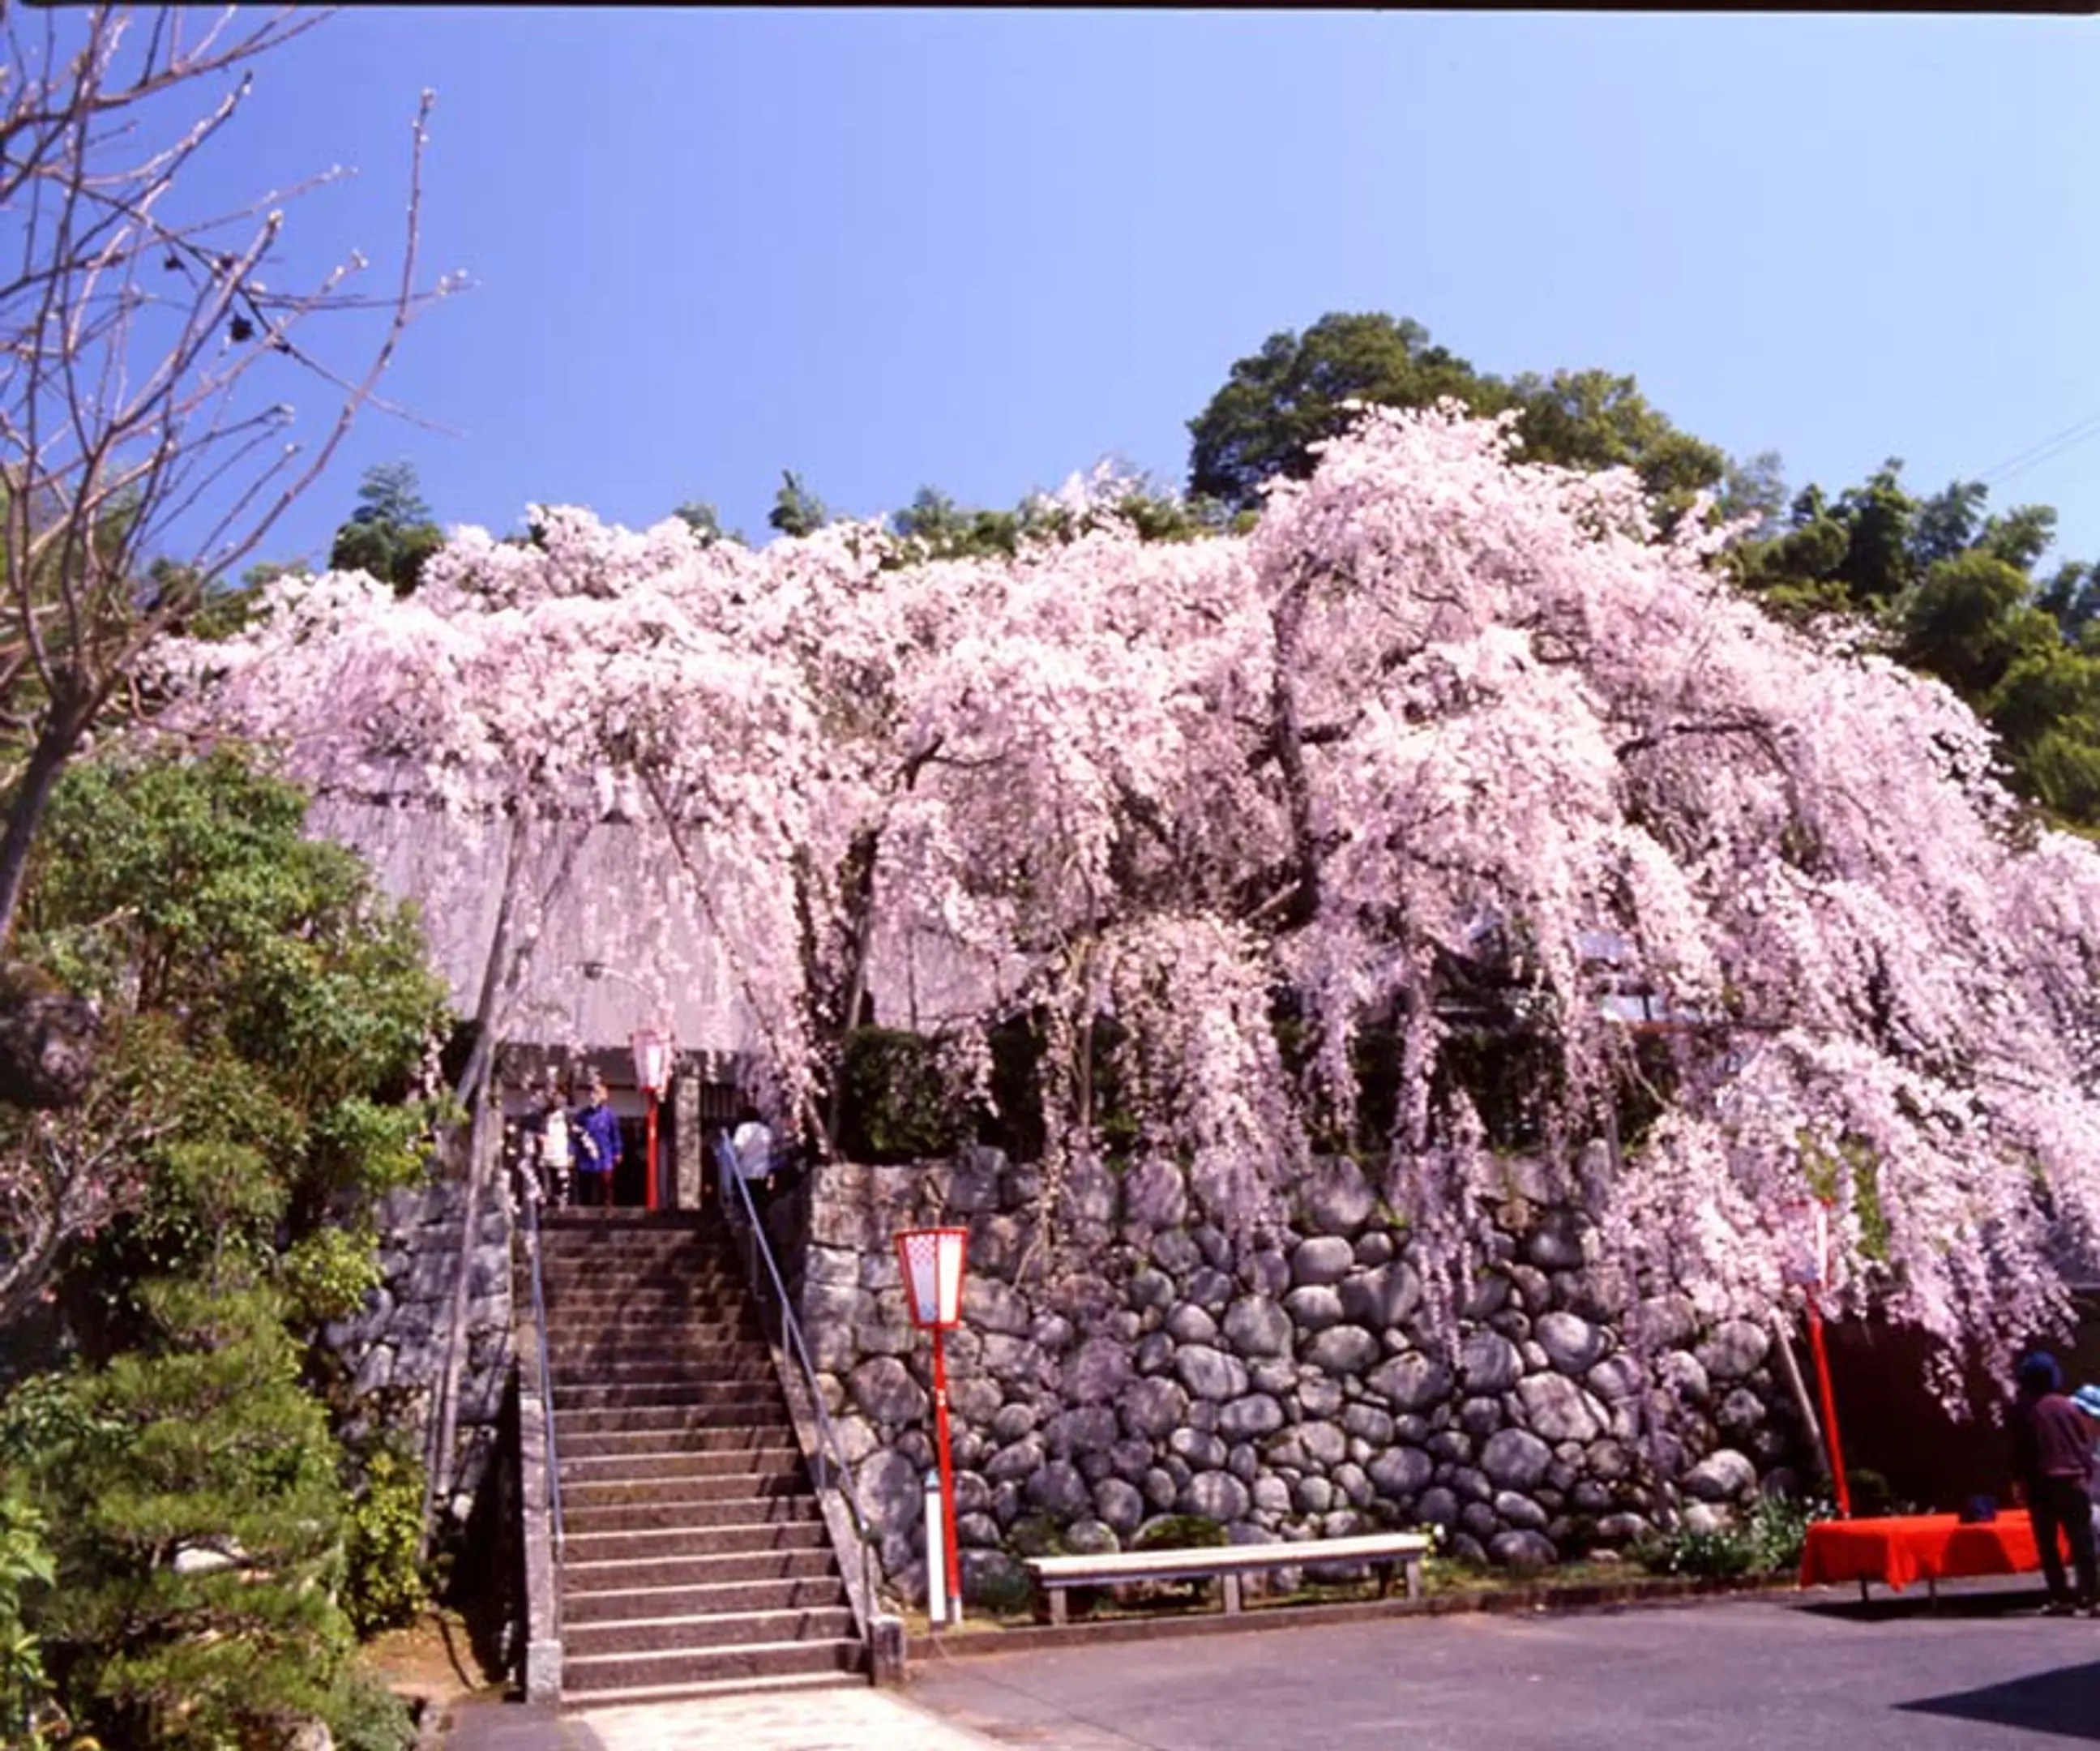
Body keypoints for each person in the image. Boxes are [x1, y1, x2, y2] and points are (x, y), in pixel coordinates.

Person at [2009, 1351, 2098, 1615]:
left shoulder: (2025, 1409)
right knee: (2082, 1543)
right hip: (2073, 1480)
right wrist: (2084, 1471)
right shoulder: (2067, 1406)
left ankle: (2060, 1596)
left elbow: (2021, 1450)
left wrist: (2018, 1481)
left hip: (2041, 1482)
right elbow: (2082, 1443)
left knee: (2048, 1544)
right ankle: (2093, 1597)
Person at [571, 1074, 622, 1209]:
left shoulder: (609, 1115)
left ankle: (607, 1206)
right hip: (587, 1152)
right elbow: (575, 1136)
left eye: (598, 1093)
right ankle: (585, 1207)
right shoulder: (582, 1115)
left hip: (605, 1152)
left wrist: (618, 1151)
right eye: (593, 1093)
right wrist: (572, 1152)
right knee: (587, 1182)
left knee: (606, 1181)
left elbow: (615, 1134)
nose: (595, 1096)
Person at [728, 1103, 776, 1211]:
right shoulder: (766, 1131)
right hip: (762, 1172)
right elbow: (771, 1150)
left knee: (745, 1204)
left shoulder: (743, 1129)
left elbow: (737, 1150)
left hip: (745, 1172)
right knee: (759, 1202)